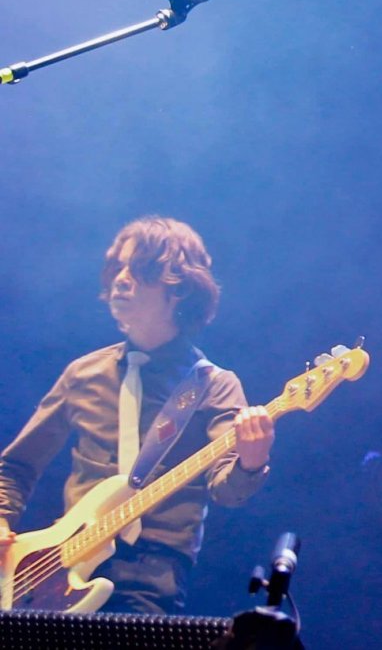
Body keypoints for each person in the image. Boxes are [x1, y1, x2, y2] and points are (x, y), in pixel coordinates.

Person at [0, 216, 275, 614]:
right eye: (117, 267)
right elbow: (15, 466)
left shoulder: (213, 385)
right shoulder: (84, 373)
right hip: (55, 568)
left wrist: (253, 460)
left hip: (152, 575)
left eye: (139, 268)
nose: (120, 279)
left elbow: (227, 491)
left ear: (179, 288)